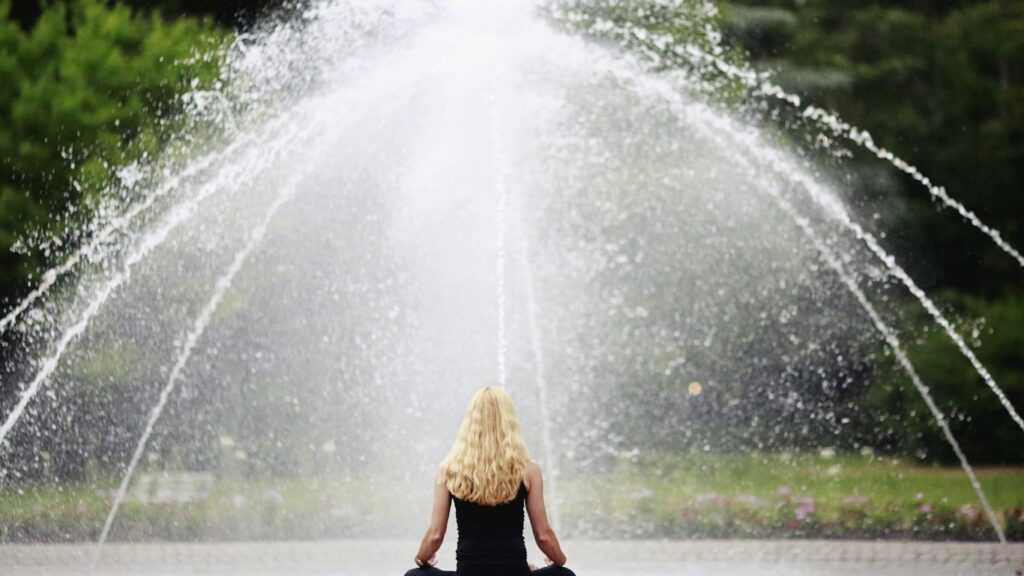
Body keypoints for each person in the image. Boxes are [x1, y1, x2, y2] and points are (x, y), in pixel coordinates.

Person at [404, 386, 575, 576]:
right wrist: (559, 560)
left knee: (414, 575)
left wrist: (421, 558)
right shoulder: (528, 470)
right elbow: (544, 536)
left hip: (469, 573)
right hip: (514, 573)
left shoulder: (450, 469)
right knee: (564, 575)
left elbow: (435, 535)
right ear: (509, 421)